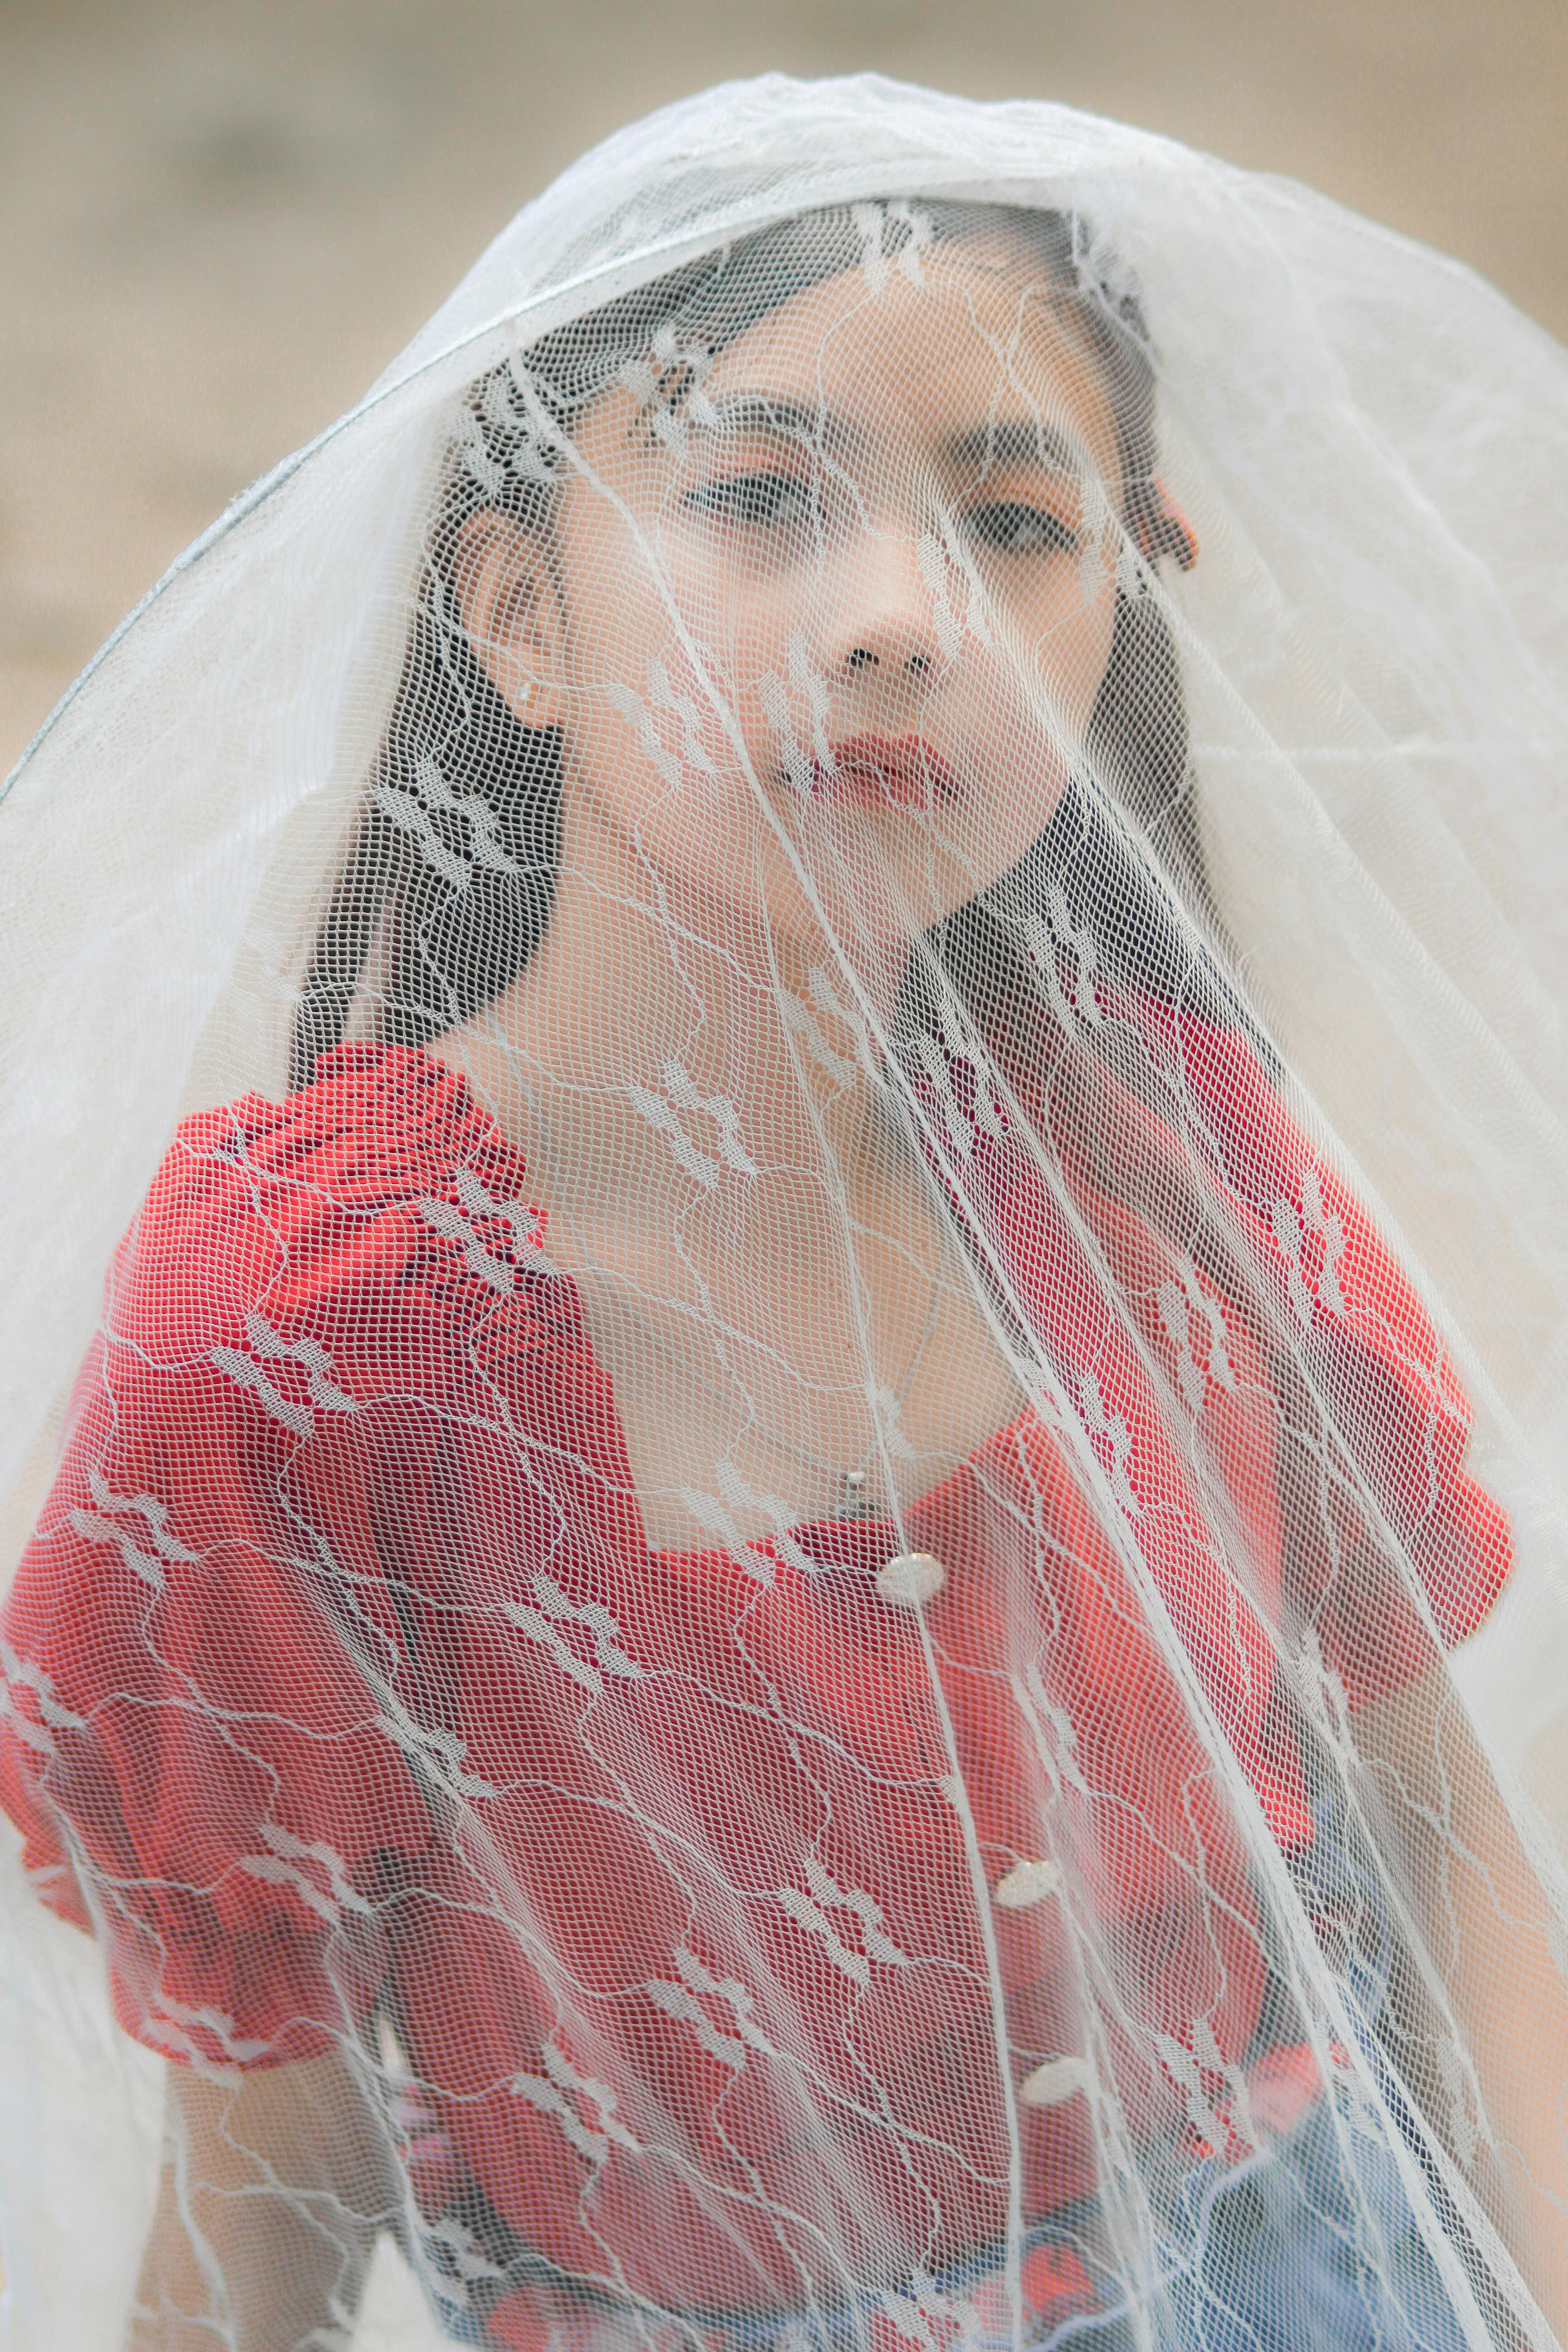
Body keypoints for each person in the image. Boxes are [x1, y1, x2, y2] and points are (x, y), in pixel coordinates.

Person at [2, 77, 1568, 2352]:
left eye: (1019, 519)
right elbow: (266, 2199)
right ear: (521, 612)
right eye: (758, 494)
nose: (903, 615)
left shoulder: (1160, 1154)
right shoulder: (313, 1347)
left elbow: (1442, 1853)